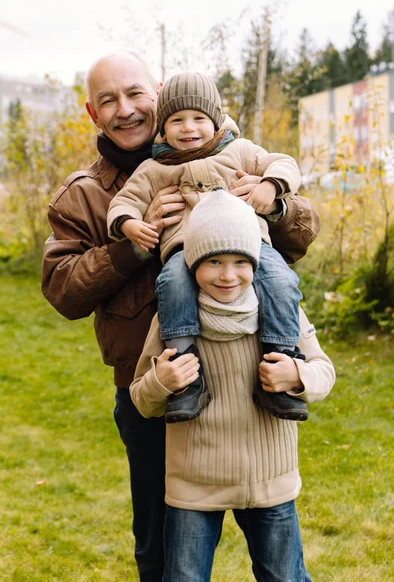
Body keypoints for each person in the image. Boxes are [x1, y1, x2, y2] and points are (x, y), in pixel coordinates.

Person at [41, 51, 320, 581]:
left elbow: (303, 233)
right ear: (92, 113)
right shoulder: (85, 193)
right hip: (156, 388)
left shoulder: (230, 151)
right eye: (108, 100)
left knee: (275, 538)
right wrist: (132, 244)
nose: (125, 109)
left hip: (248, 383)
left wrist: (271, 204)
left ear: (161, 91)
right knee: (167, 553)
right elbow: (63, 290)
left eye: (135, 93)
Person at [131, 189, 336, 582]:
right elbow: (142, 399)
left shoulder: (282, 312)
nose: (228, 275)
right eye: (214, 262)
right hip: (194, 485)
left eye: (241, 262)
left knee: (284, 577)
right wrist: (161, 381)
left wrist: (298, 376)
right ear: (192, 266)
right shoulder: (173, 321)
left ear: (257, 264)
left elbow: (324, 370)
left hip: (269, 482)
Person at [107, 71, 307, 425]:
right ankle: (186, 376)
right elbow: (124, 201)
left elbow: (285, 162)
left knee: (280, 280)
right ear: (162, 129)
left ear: (214, 120)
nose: (189, 128)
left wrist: (271, 186)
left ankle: (280, 361)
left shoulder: (239, 151)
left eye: (199, 118)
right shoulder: (154, 168)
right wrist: (129, 224)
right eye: (177, 120)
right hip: (186, 252)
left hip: (249, 246)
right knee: (172, 285)